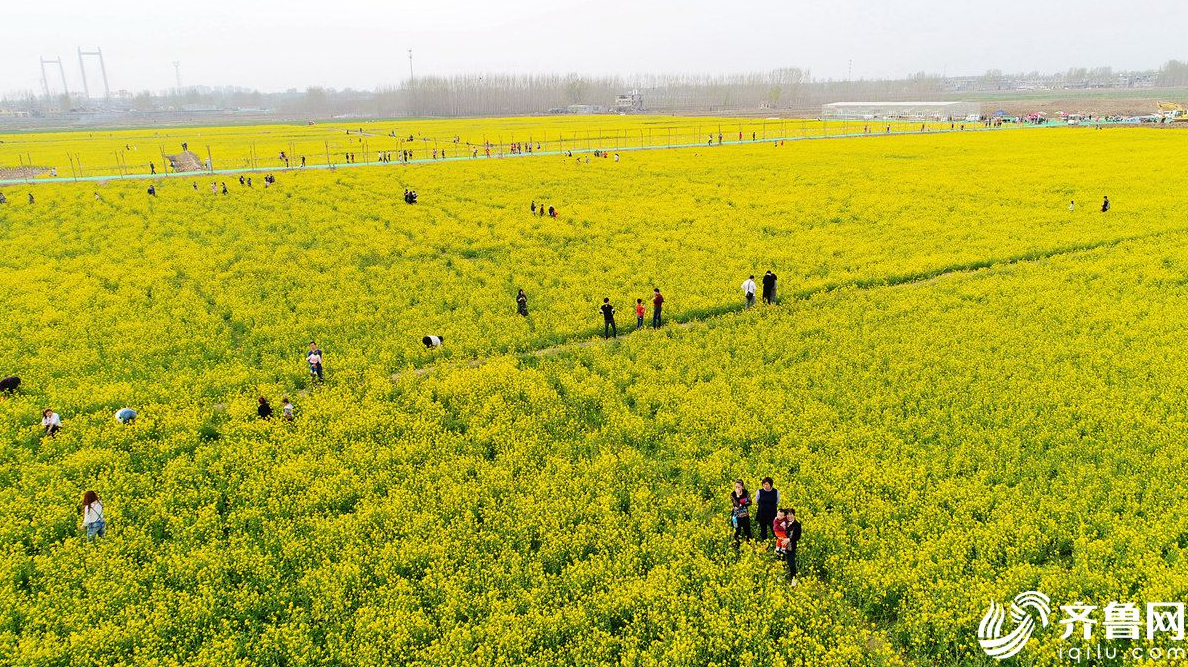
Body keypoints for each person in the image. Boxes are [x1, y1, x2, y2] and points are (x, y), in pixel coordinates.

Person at [730, 479, 752, 548]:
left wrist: (741, 504)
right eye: (736, 487)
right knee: (737, 530)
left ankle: (749, 544)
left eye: (738, 487)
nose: (737, 488)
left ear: (742, 487)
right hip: (736, 516)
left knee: (747, 530)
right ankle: (736, 545)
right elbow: (736, 504)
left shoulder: (746, 492)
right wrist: (738, 496)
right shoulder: (733, 494)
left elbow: (750, 502)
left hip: (745, 515)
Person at [786, 508, 802, 583]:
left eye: (791, 514)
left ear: (794, 515)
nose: (789, 516)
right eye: (788, 514)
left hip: (791, 546)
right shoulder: (784, 523)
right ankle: (783, 575)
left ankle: (794, 578)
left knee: (791, 562)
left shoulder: (797, 525)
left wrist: (789, 539)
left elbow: (797, 537)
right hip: (782, 546)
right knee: (782, 561)